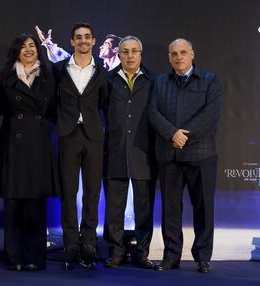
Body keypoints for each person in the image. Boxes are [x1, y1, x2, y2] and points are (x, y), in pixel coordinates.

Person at [148, 38, 221, 273]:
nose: (178, 57)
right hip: (169, 154)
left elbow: (211, 113)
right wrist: (172, 134)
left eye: (183, 52)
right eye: (174, 53)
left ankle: (203, 257)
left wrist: (184, 136)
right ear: (169, 57)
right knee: (170, 208)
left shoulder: (210, 80)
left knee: (204, 208)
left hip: (201, 154)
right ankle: (171, 257)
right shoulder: (159, 82)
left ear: (192, 54)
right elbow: (153, 111)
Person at [0, 33, 59, 271]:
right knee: (13, 203)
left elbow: (53, 109)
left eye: (32, 45)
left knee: (35, 202)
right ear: (16, 51)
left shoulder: (50, 75)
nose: (28, 50)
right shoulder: (3, 77)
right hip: (12, 142)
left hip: (39, 142)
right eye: (23, 47)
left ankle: (35, 256)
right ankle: (14, 258)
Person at [52, 22, 108, 270]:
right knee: (68, 193)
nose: (83, 40)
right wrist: (62, 122)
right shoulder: (58, 70)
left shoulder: (103, 72)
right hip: (68, 136)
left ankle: (88, 244)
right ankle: (71, 245)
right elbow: (51, 103)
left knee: (92, 193)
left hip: (94, 136)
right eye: (78, 37)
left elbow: (105, 103)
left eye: (87, 36)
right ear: (72, 42)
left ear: (94, 41)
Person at [102, 36, 157, 269]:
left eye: (134, 51)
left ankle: (141, 252)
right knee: (114, 207)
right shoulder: (108, 80)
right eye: (125, 51)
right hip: (114, 151)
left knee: (144, 206)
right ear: (119, 54)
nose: (130, 56)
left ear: (141, 54)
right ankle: (116, 251)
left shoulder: (154, 81)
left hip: (144, 152)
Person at [35, 25, 121, 71]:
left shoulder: (123, 70)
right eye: (79, 37)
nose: (100, 47)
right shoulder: (96, 67)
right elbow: (66, 60)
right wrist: (48, 43)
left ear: (115, 49)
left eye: (106, 44)